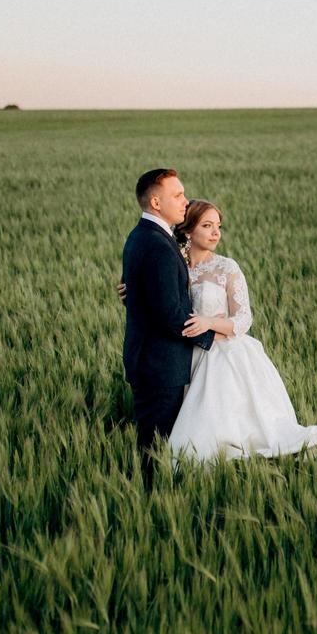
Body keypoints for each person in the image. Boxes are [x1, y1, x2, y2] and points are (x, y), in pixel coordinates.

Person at [165, 200, 317, 462]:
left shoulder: (226, 267)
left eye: (218, 226)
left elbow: (244, 319)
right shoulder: (175, 267)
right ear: (187, 231)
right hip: (187, 353)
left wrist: (209, 322)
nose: (215, 233)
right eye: (207, 225)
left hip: (225, 352)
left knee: (233, 422)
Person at [120, 169, 215, 489]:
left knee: (159, 447)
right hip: (159, 365)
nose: (185, 201)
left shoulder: (144, 236)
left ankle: (152, 497)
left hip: (153, 360)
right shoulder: (157, 244)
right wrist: (213, 339)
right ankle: (147, 504)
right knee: (155, 451)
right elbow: (168, 313)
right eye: (177, 195)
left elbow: (148, 297)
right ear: (156, 201)